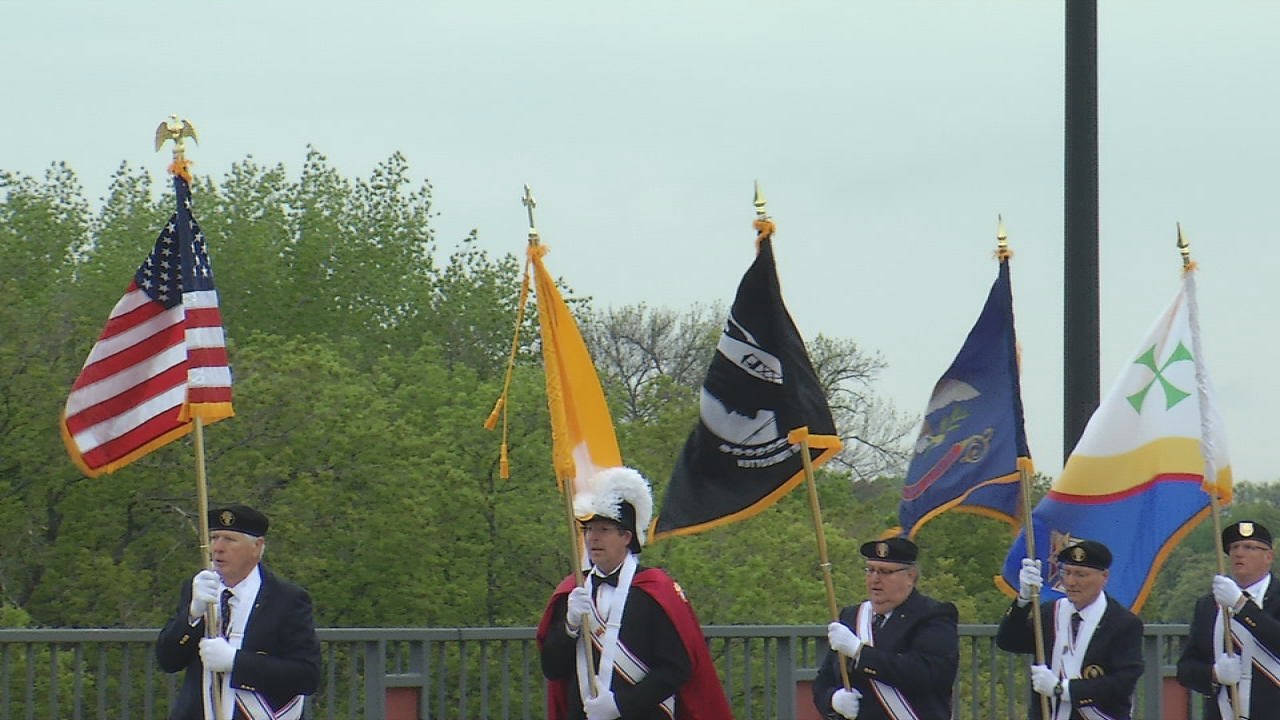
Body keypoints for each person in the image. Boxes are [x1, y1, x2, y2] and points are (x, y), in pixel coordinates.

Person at [537, 466, 732, 720]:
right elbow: (552, 669)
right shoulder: (573, 592)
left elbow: (676, 670)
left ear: (626, 536)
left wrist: (620, 705)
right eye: (588, 530)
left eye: (603, 530)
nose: (593, 538)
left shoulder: (656, 591)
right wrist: (569, 627)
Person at [155, 504, 320, 720]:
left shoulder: (286, 599)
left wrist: (235, 662)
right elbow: (168, 660)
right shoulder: (197, 587)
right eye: (214, 538)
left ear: (256, 546)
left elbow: (306, 676)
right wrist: (193, 615)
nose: (218, 548)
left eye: (229, 539)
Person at [812, 537, 959, 720]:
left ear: (910, 577)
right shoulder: (852, 616)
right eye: (870, 570)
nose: (874, 579)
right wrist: (832, 700)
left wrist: (860, 653)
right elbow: (824, 680)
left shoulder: (933, 615)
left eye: (885, 572)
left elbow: (928, 674)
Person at [997, 539, 1143, 720]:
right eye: (1066, 573)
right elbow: (1009, 641)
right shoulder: (1051, 612)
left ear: (1104, 576)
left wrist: (1062, 689)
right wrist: (1023, 599)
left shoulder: (1122, 623)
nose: (1070, 582)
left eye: (1081, 575)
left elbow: (1123, 682)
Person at [1177, 520, 1280, 720]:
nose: (1239, 553)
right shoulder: (1209, 605)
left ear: (1268, 556)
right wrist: (1213, 674)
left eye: (1249, 547)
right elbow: (1186, 669)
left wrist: (1242, 605)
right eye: (1234, 548)